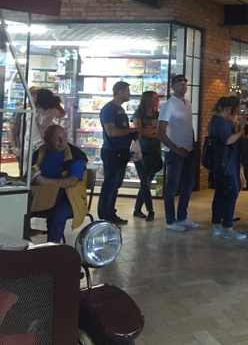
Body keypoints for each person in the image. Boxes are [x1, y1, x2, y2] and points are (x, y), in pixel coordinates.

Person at [30, 125, 88, 243]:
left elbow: (73, 181)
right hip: (43, 195)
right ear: (46, 140)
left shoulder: (75, 155)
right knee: (20, 208)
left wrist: (46, 182)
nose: (62, 142)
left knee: (56, 215)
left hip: (68, 198)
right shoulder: (40, 153)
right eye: (56, 138)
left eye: (64, 137)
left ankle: (53, 247)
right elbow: (30, 172)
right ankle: (21, 242)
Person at [158, 74, 198, 232]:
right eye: (179, 82)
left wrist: (193, 144)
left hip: (188, 150)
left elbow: (189, 126)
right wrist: (175, 149)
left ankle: (182, 216)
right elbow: (160, 132)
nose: (183, 85)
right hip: (174, 152)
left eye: (185, 82)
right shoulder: (168, 105)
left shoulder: (187, 103)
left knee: (188, 184)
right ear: (172, 86)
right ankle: (170, 220)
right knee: (172, 185)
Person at [97, 81, 139, 224]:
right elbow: (112, 132)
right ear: (120, 92)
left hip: (121, 152)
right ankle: (105, 215)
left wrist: (132, 134)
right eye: (128, 91)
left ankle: (110, 213)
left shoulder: (119, 109)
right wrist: (131, 130)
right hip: (112, 152)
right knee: (110, 185)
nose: (130, 94)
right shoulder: (108, 109)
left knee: (115, 185)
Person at [209, 96, 247, 240]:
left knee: (220, 192)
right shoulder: (221, 122)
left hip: (219, 163)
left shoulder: (214, 120)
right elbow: (227, 140)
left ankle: (217, 223)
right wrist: (239, 132)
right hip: (226, 165)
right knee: (232, 193)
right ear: (228, 108)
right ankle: (227, 226)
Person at [132, 91, 162, 222]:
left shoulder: (157, 114)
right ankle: (150, 210)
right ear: (148, 100)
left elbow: (162, 131)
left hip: (154, 152)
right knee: (144, 181)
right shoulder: (138, 114)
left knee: (147, 182)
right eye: (155, 98)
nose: (157, 100)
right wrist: (154, 132)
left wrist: (149, 132)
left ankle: (137, 209)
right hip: (140, 152)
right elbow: (139, 132)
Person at [24, 88, 66, 153]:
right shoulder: (51, 112)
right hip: (45, 146)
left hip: (30, 147)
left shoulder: (29, 112)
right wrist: (55, 102)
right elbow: (62, 113)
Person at [9, 85, 40, 170]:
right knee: (25, 170)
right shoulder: (22, 109)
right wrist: (15, 147)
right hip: (23, 148)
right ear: (33, 95)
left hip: (36, 148)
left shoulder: (41, 109)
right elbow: (12, 129)